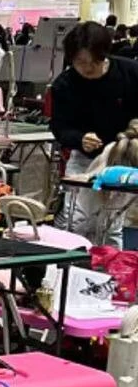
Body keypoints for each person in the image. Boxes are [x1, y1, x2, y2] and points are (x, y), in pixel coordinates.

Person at [50, 20, 138, 244]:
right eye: (80, 62)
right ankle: (69, 270)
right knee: (76, 221)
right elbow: (59, 127)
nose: (88, 68)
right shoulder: (65, 85)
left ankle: (111, 273)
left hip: (124, 162)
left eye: (93, 62)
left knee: (113, 225)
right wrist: (79, 139)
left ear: (104, 54)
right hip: (85, 162)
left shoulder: (130, 73)